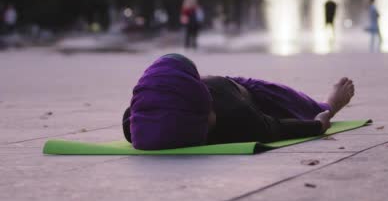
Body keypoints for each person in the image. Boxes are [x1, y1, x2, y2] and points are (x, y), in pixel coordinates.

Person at [121, 54, 355, 150]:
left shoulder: (236, 114)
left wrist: (323, 115)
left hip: (239, 88)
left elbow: (278, 126)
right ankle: (331, 102)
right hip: (238, 94)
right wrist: (319, 123)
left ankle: (329, 101)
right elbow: (278, 128)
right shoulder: (240, 121)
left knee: (297, 101)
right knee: (310, 110)